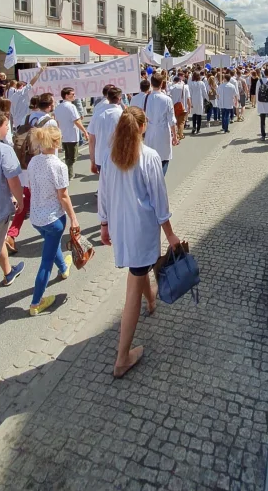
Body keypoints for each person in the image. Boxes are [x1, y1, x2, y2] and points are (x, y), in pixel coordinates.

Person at [98, 107, 180, 377]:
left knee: (140, 266)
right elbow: (159, 198)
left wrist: (104, 223)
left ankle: (152, 300)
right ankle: (122, 357)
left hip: (122, 227)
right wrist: (169, 232)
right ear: (143, 127)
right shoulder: (149, 156)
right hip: (141, 228)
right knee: (133, 284)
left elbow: (104, 193)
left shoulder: (111, 156)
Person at [27, 126, 79, 315]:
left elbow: (32, 188)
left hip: (36, 217)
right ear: (57, 143)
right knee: (46, 261)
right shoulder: (58, 166)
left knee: (52, 244)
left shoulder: (33, 162)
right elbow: (63, 196)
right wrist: (74, 218)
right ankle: (35, 302)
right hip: (53, 218)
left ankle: (64, 268)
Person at [6, 93, 58, 254]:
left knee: (26, 200)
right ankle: (49, 234)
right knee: (52, 199)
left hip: (25, 166)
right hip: (42, 166)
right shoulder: (50, 121)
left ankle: (12, 234)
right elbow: (53, 147)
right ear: (49, 106)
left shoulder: (26, 119)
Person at [0, 112, 25, 311]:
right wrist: (20, 201)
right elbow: (14, 181)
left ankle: (8, 271)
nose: (8, 128)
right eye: (6, 125)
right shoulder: (3, 150)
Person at [144, 73, 177, 174]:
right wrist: (175, 135)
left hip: (150, 131)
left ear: (151, 83)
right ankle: (159, 181)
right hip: (162, 132)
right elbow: (171, 120)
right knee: (164, 159)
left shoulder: (146, 98)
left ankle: (153, 182)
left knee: (150, 160)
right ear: (162, 83)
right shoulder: (167, 99)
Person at [54, 87, 89, 179]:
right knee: (72, 157)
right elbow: (76, 121)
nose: (74, 96)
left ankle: (69, 172)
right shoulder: (71, 106)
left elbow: (56, 122)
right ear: (66, 96)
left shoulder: (58, 107)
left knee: (68, 156)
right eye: (72, 94)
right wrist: (84, 131)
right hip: (72, 135)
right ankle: (68, 174)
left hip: (64, 135)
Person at [89, 87, 124, 174]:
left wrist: (93, 160)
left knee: (105, 186)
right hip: (118, 157)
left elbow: (91, 140)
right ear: (119, 98)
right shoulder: (122, 115)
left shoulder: (97, 114)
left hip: (101, 158)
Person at [256, 68, 268, 141]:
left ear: (264, 73)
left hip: (261, 101)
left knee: (262, 119)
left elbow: (256, 92)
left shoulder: (259, 81)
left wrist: (257, 102)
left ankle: (263, 135)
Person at [169, 75, 190, 140]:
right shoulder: (185, 87)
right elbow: (188, 98)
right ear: (180, 81)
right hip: (183, 107)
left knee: (175, 121)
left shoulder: (172, 87)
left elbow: (169, 97)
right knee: (181, 122)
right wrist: (189, 106)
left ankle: (177, 134)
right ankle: (180, 134)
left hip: (174, 107)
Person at [188, 71, 209, 135]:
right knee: (199, 115)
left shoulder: (191, 84)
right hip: (199, 100)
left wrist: (190, 102)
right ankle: (198, 129)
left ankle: (194, 127)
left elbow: (190, 94)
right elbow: (204, 92)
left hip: (193, 100)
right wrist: (208, 99)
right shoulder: (201, 83)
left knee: (194, 114)